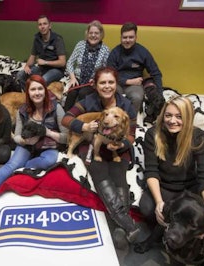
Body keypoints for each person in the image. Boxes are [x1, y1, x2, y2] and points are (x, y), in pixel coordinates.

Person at [138, 95, 204, 265]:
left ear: (188, 118)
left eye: (179, 116)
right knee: (147, 208)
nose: (172, 120)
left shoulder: (200, 138)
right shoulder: (153, 134)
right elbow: (151, 171)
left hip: (191, 187)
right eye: (168, 115)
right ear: (163, 115)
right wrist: (159, 202)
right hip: (165, 186)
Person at [0, 75, 68, 236]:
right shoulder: (23, 110)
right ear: (27, 92)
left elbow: (66, 137)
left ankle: (11, 171)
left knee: (49, 160)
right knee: (10, 165)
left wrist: (47, 132)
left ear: (45, 90)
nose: (37, 92)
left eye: (40, 88)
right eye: (33, 89)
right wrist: (24, 141)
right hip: (27, 147)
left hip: (47, 147)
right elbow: (15, 136)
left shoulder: (56, 108)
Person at [62, 66, 139, 246]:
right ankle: (127, 224)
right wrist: (83, 127)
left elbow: (132, 135)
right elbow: (65, 119)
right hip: (92, 145)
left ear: (116, 84)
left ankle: (121, 227)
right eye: (102, 83)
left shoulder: (127, 105)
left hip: (118, 148)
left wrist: (122, 144)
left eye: (110, 82)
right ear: (95, 85)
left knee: (118, 175)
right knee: (99, 172)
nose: (107, 86)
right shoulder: (88, 101)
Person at [107, 22, 163, 115]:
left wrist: (160, 94)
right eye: (125, 37)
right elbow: (110, 74)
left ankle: (130, 120)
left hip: (135, 86)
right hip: (117, 83)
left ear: (136, 37)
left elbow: (156, 73)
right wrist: (128, 81)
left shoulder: (143, 52)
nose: (127, 40)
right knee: (108, 93)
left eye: (131, 37)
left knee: (137, 97)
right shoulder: (115, 52)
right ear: (121, 38)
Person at [64, 20, 110, 111]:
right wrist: (72, 78)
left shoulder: (105, 50)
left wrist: (96, 80)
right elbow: (69, 62)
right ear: (87, 34)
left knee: (83, 93)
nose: (93, 35)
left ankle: (80, 117)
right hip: (77, 78)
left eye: (96, 33)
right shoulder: (80, 45)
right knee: (72, 92)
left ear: (101, 35)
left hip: (92, 81)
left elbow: (105, 70)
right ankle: (66, 116)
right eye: (91, 33)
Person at [17, 15, 66, 87]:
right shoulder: (37, 38)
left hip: (56, 70)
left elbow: (62, 62)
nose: (42, 26)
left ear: (50, 26)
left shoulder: (57, 39)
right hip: (41, 68)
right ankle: (27, 95)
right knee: (20, 75)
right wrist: (27, 66)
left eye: (45, 24)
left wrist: (45, 62)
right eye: (40, 24)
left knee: (42, 81)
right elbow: (32, 56)